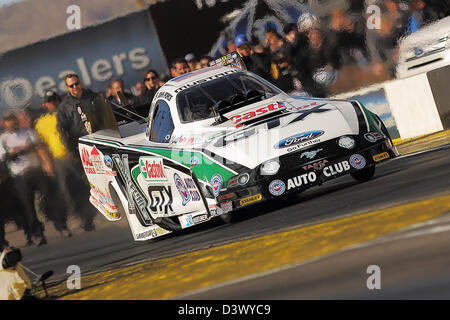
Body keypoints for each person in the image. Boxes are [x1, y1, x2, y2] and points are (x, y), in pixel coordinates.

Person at [0, 113, 50, 246]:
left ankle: (55, 219)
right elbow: (3, 158)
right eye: (8, 122)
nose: (12, 125)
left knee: (47, 195)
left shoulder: (28, 133)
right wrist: (12, 153)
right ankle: (37, 233)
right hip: (20, 175)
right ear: (5, 124)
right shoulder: (3, 139)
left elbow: (39, 146)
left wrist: (45, 163)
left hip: (35, 171)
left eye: (14, 121)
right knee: (28, 206)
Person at [57, 73, 98, 157]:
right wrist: (70, 150)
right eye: (71, 86)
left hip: (100, 139)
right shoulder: (64, 106)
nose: (75, 87)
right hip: (82, 146)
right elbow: (62, 130)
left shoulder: (93, 96)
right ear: (67, 88)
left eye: (76, 84)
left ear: (80, 83)